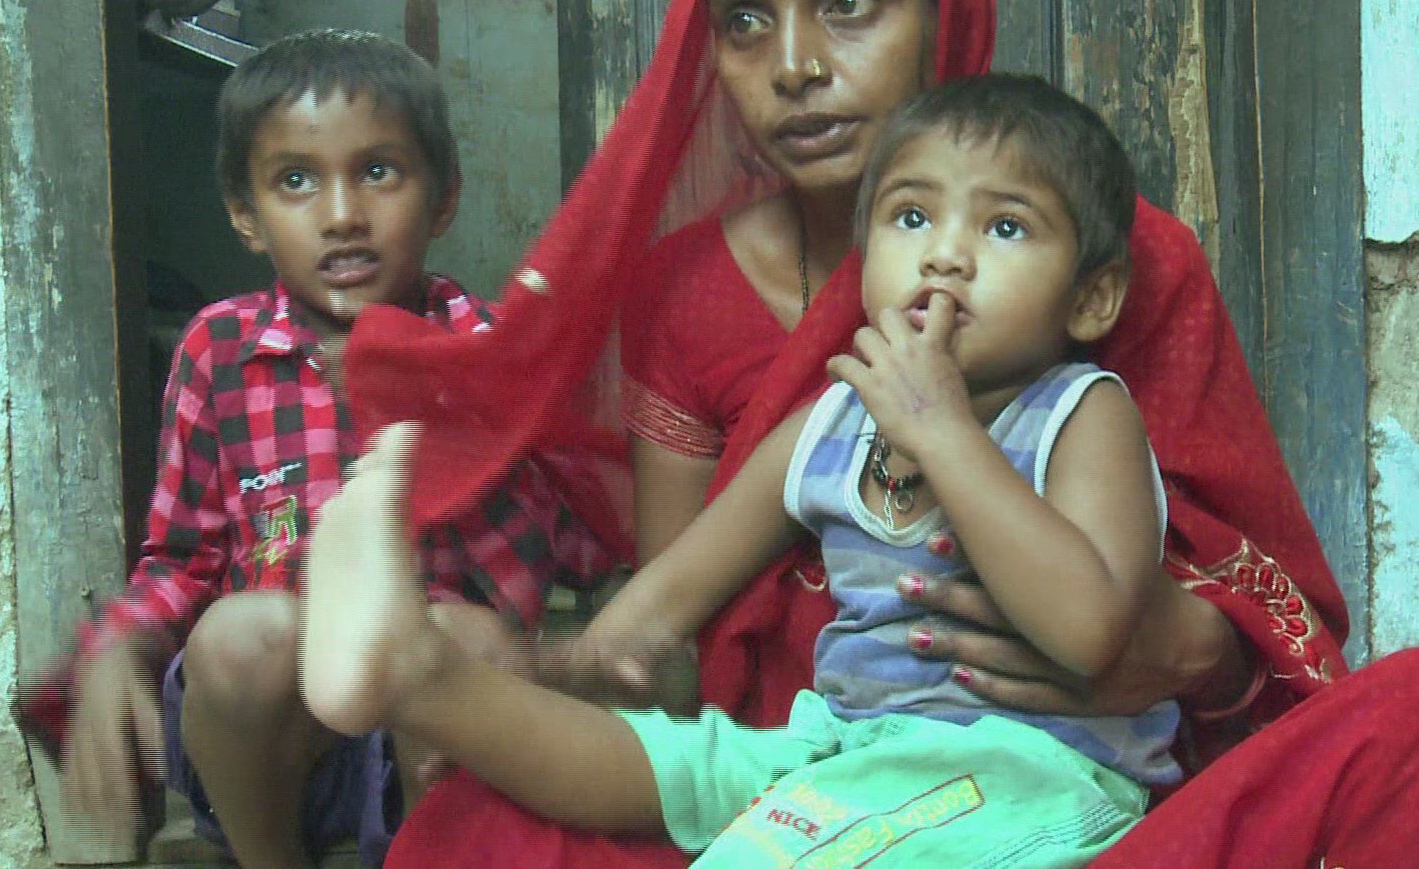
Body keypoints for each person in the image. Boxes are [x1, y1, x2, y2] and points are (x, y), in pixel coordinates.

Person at [342, 0, 1419, 869]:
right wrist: (502, 681)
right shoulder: (687, 295)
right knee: (470, 829)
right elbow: (668, 638)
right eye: (745, 22)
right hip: (806, 783)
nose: (795, 65)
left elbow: (1249, 629)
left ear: (939, 9)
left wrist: (1181, 650)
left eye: (848, 2)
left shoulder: (1120, 277)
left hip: (1066, 798)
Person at [303, 73, 1190, 865]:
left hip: (1029, 773)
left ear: (1091, 299)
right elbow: (663, 601)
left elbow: (1088, 630)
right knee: (669, 765)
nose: (945, 254)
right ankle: (419, 676)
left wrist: (945, 433)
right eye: (912, 217)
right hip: (844, 743)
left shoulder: (1080, 413)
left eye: (1004, 227)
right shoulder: (832, 424)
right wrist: (547, 672)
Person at [15, 29, 592, 869]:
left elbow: (576, 544)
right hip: (278, 747)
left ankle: (431, 853)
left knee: (459, 632)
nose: (342, 214)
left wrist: (441, 423)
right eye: (296, 180)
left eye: (378, 171)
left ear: (442, 199)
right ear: (245, 215)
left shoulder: (486, 349)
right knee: (241, 634)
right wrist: (116, 648)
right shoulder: (218, 351)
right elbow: (180, 562)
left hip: (438, 722)